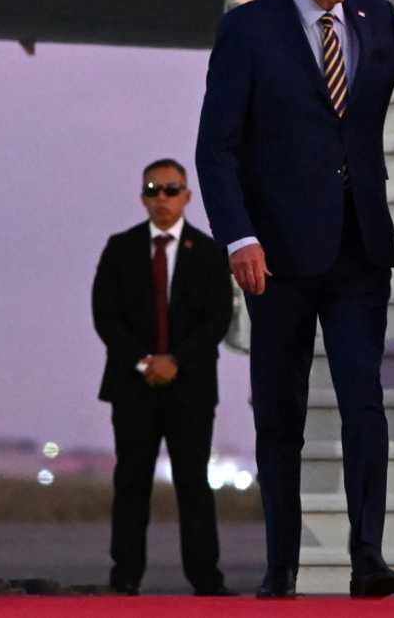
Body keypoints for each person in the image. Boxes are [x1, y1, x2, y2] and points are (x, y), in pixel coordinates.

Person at [195, 0, 394, 598]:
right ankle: (282, 567)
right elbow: (217, 147)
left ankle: (369, 558)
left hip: (359, 248)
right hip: (276, 256)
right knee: (281, 415)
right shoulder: (248, 30)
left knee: (365, 403)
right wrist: (238, 233)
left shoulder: (377, 20)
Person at [92, 158, 234, 596]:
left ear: (187, 196)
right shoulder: (120, 248)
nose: (162, 198)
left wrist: (175, 361)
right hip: (133, 387)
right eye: (153, 190)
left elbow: (217, 319)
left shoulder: (209, 253)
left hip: (189, 388)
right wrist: (145, 362)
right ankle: (125, 576)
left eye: (171, 190)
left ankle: (206, 578)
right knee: (131, 482)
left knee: (194, 483)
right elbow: (105, 315)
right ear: (142, 197)